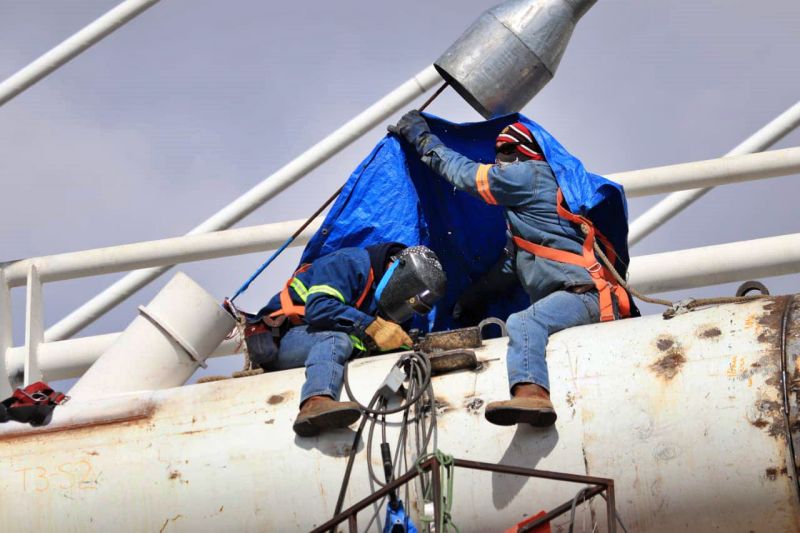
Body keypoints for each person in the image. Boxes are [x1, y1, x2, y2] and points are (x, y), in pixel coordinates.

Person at [389, 111, 635, 428]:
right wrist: (470, 299)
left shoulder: (531, 175)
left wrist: (422, 139)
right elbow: (509, 267)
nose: (499, 164)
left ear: (520, 153)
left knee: (523, 321)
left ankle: (532, 395)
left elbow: (464, 174)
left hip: (581, 295)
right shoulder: (528, 220)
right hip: (581, 296)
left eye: (503, 155)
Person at [246, 242, 446, 437]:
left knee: (400, 353)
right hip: (282, 340)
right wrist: (371, 326)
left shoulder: (387, 304)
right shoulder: (347, 263)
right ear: (399, 272)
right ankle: (315, 402)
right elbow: (319, 308)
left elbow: (397, 357)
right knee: (335, 339)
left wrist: (391, 389)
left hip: (317, 346)